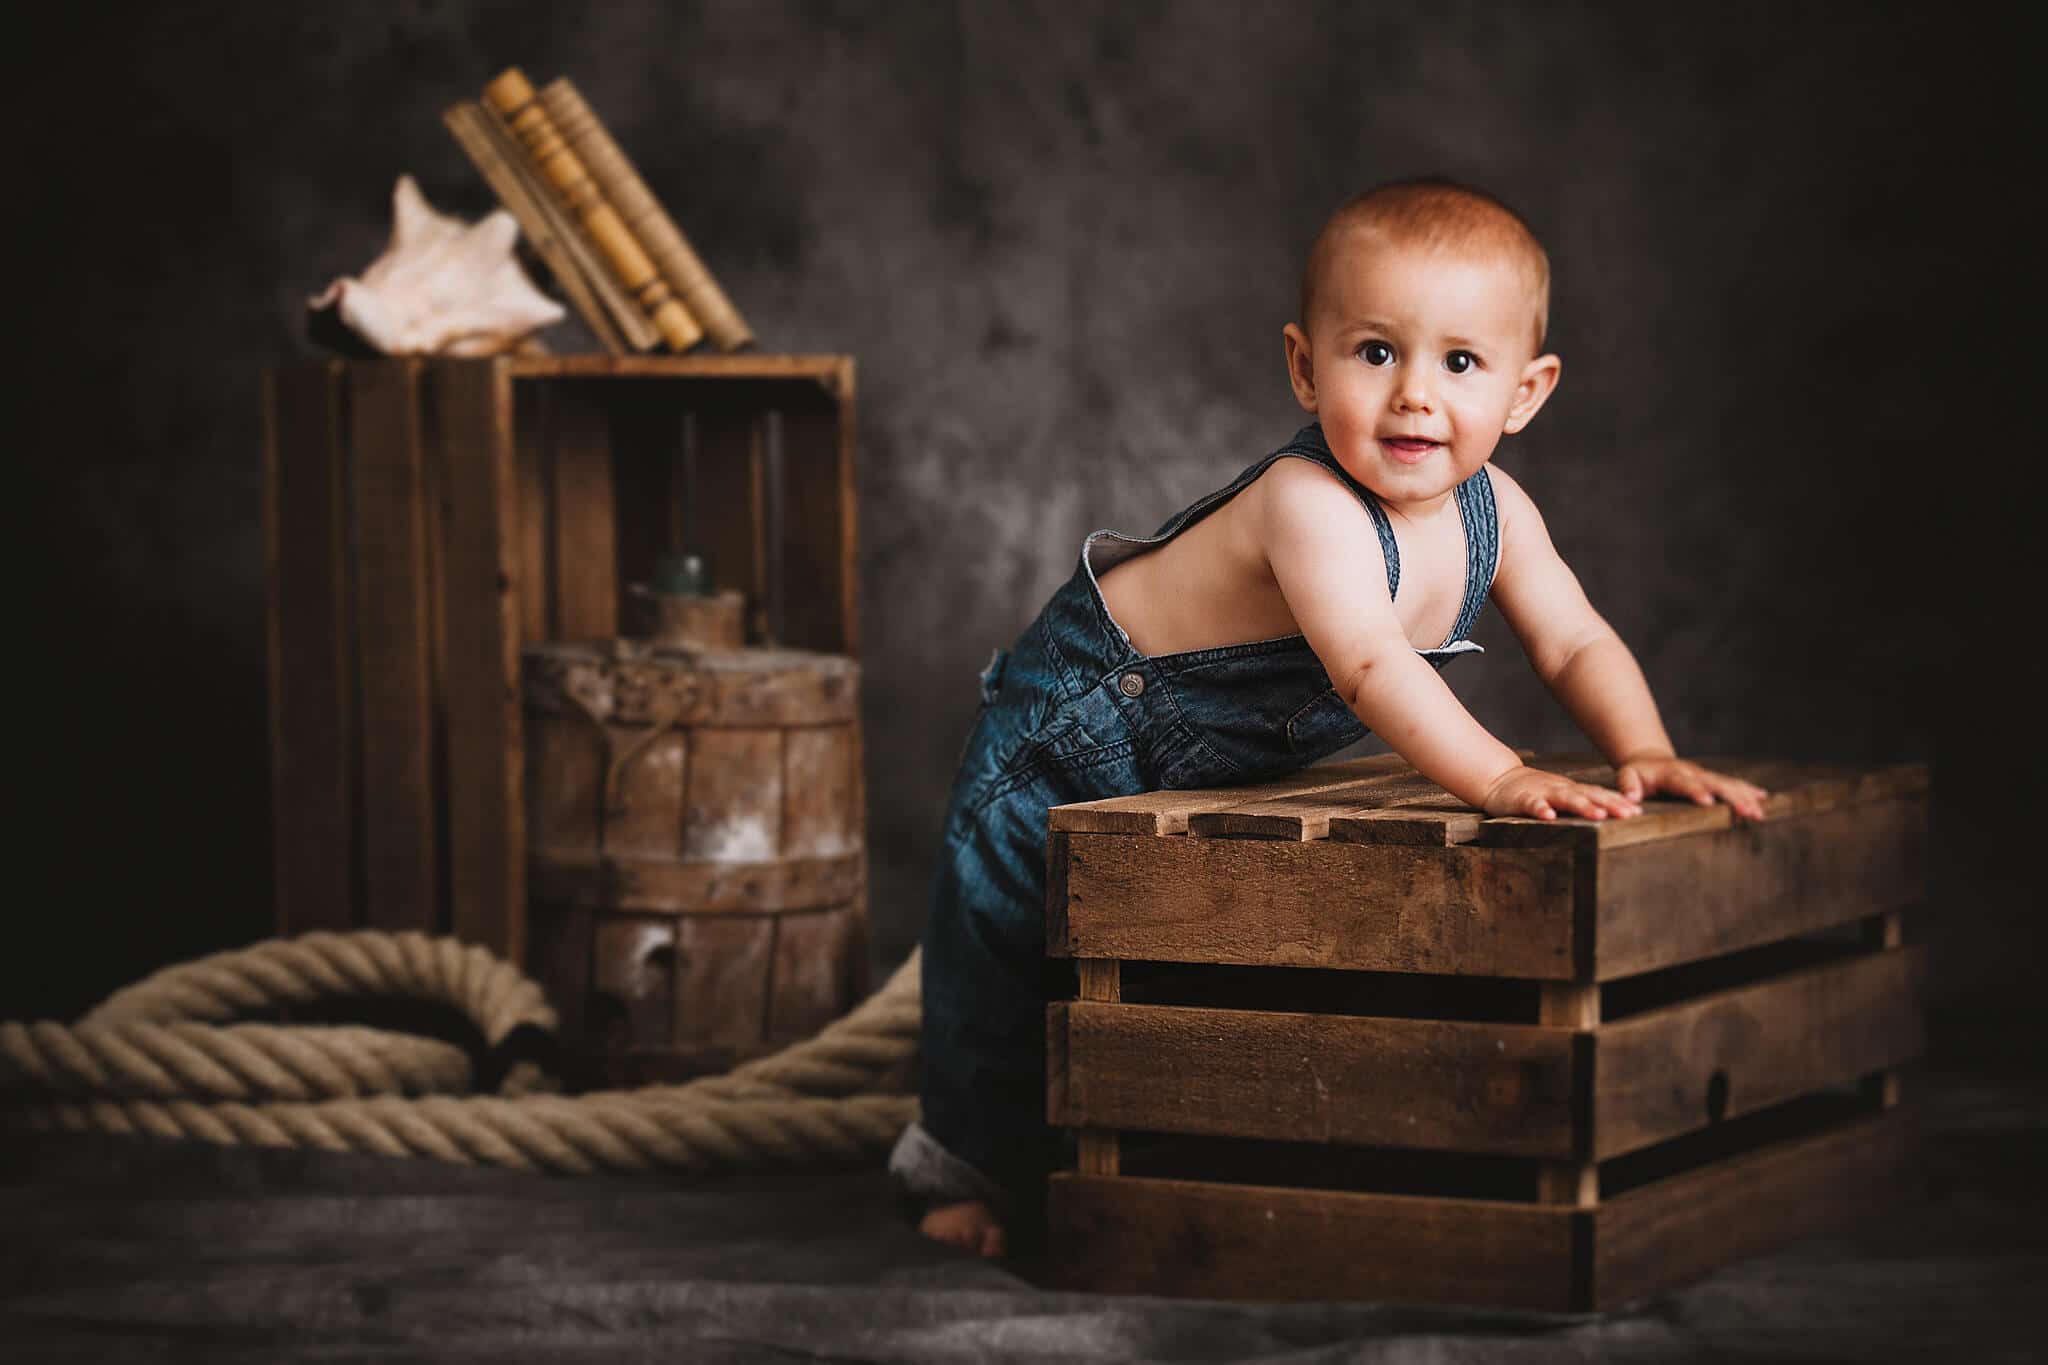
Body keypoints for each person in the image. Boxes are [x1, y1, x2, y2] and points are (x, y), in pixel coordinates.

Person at [888, 178, 1769, 1260]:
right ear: (1305, 367)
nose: (1413, 397)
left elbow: (1573, 638)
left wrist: (1643, 750)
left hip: (1198, 760)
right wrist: (1494, 778)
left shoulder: (1499, 510)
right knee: (1000, 944)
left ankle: (1158, 1142)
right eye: (1374, 352)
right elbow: (1363, 665)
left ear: (1526, 390)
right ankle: (965, 1166)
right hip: (1072, 731)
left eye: (1458, 362)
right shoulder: (1308, 507)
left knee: (1159, 952)